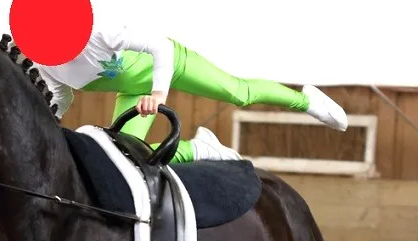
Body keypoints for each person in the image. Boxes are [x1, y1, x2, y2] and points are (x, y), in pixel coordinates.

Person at [35, 22, 349, 163]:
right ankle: (199, 150)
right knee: (127, 159)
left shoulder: (101, 33)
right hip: (132, 91)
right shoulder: (46, 63)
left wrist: (158, 94)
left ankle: (307, 100)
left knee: (238, 92)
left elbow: (159, 47)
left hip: (174, 64)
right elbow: (61, 99)